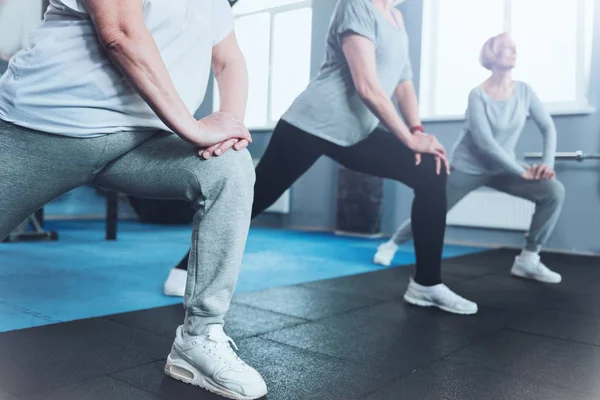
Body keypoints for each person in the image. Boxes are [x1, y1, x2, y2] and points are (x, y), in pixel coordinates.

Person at [0, 0, 268, 398]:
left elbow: (228, 59)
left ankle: (200, 338)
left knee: (229, 167)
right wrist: (193, 128)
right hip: (40, 132)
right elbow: (121, 34)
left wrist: (229, 124)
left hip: (140, 144)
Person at [164, 0, 478, 315]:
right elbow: (367, 86)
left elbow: (403, 85)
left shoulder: (396, 20)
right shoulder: (358, 5)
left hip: (358, 132)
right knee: (254, 198)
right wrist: (409, 139)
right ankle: (186, 265)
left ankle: (426, 284)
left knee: (432, 171)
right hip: (311, 123)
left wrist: (417, 130)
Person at [374, 32, 565, 284]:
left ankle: (528, 258)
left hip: (504, 167)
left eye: (514, 47)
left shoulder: (524, 91)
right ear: (492, 55)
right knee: (434, 208)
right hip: (469, 167)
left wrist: (547, 166)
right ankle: (391, 244)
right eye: (506, 47)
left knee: (553, 190)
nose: (513, 51)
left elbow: (548, 127)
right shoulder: (478, 95)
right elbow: (486, 144)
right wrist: (521, 171)